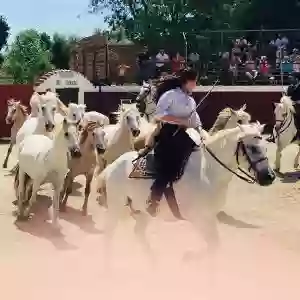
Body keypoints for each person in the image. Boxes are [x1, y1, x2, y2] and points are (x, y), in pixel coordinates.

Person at [137, 68, 203, 216]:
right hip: (168, 134)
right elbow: (160, 114)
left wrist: (200, 131)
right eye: (194, 82)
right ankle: (153, 200)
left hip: (185, 136)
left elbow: (195, 121)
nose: (196, 85)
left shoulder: (191, 101)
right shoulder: (170, 95)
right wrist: (180, 121)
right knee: (169, 167)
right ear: (187, 82)